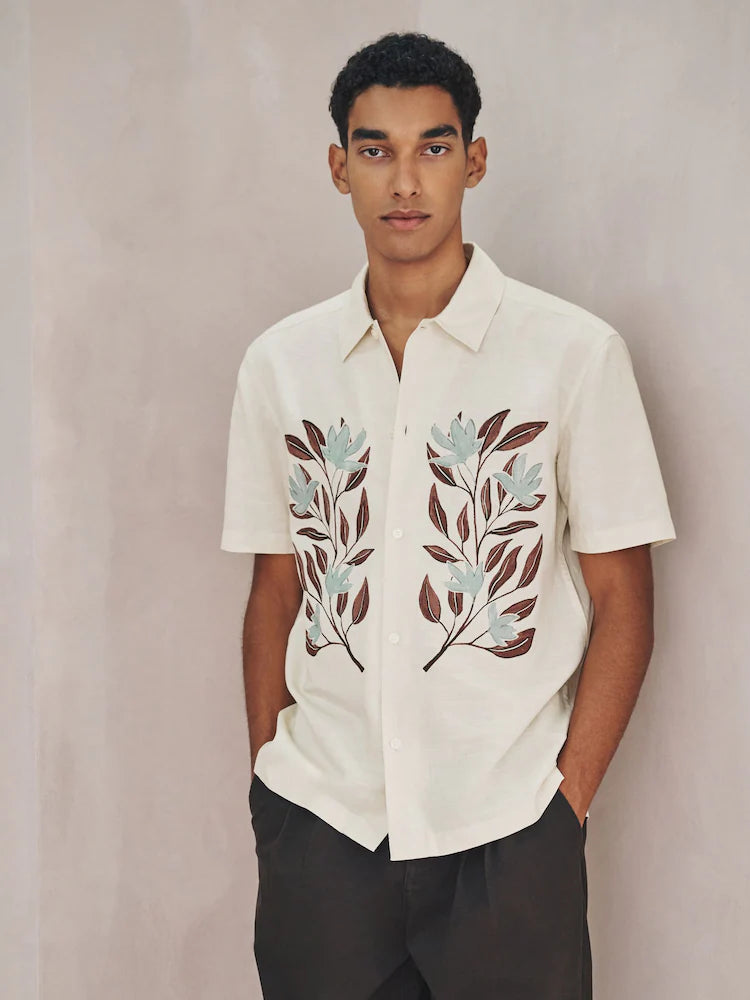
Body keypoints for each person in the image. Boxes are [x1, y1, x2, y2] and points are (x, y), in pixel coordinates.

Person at [220, 30, 676, 1000]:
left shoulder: (572, 355)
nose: (405, 180)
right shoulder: (281, 366)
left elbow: (624, 599)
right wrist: (271, 789)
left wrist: (565, 804)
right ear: (339, 167)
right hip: (324, 832)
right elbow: (276, 589)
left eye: (433, 146)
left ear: (474, 160)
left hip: (508, 834)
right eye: (375, 149)